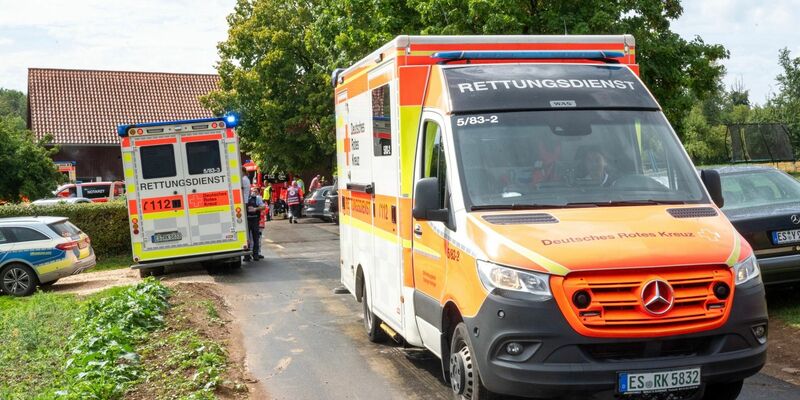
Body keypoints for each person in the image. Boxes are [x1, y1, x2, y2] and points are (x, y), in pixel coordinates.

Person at [244, 191, 266, 261]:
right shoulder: (243, 198)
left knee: (255, 238)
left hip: (255, 220)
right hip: (246, 221)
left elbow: (263, 206)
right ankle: (247, 256)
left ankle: (255, 254)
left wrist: (255, 209)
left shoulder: (257, 198)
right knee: (246, 239)